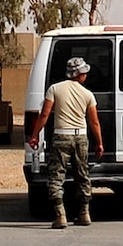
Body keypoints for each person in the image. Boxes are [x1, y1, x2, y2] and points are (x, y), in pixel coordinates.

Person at [28, 56, 105, 229]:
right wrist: (99, 143)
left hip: (61, 136)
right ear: (80, 74)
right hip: (80, 137)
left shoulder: (54, 89)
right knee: (82, 174)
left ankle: (60, 214)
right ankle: (84, 212)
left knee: (56, 175)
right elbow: (94, 122)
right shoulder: (88, 94)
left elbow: (45, 115)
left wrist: (34, 135)